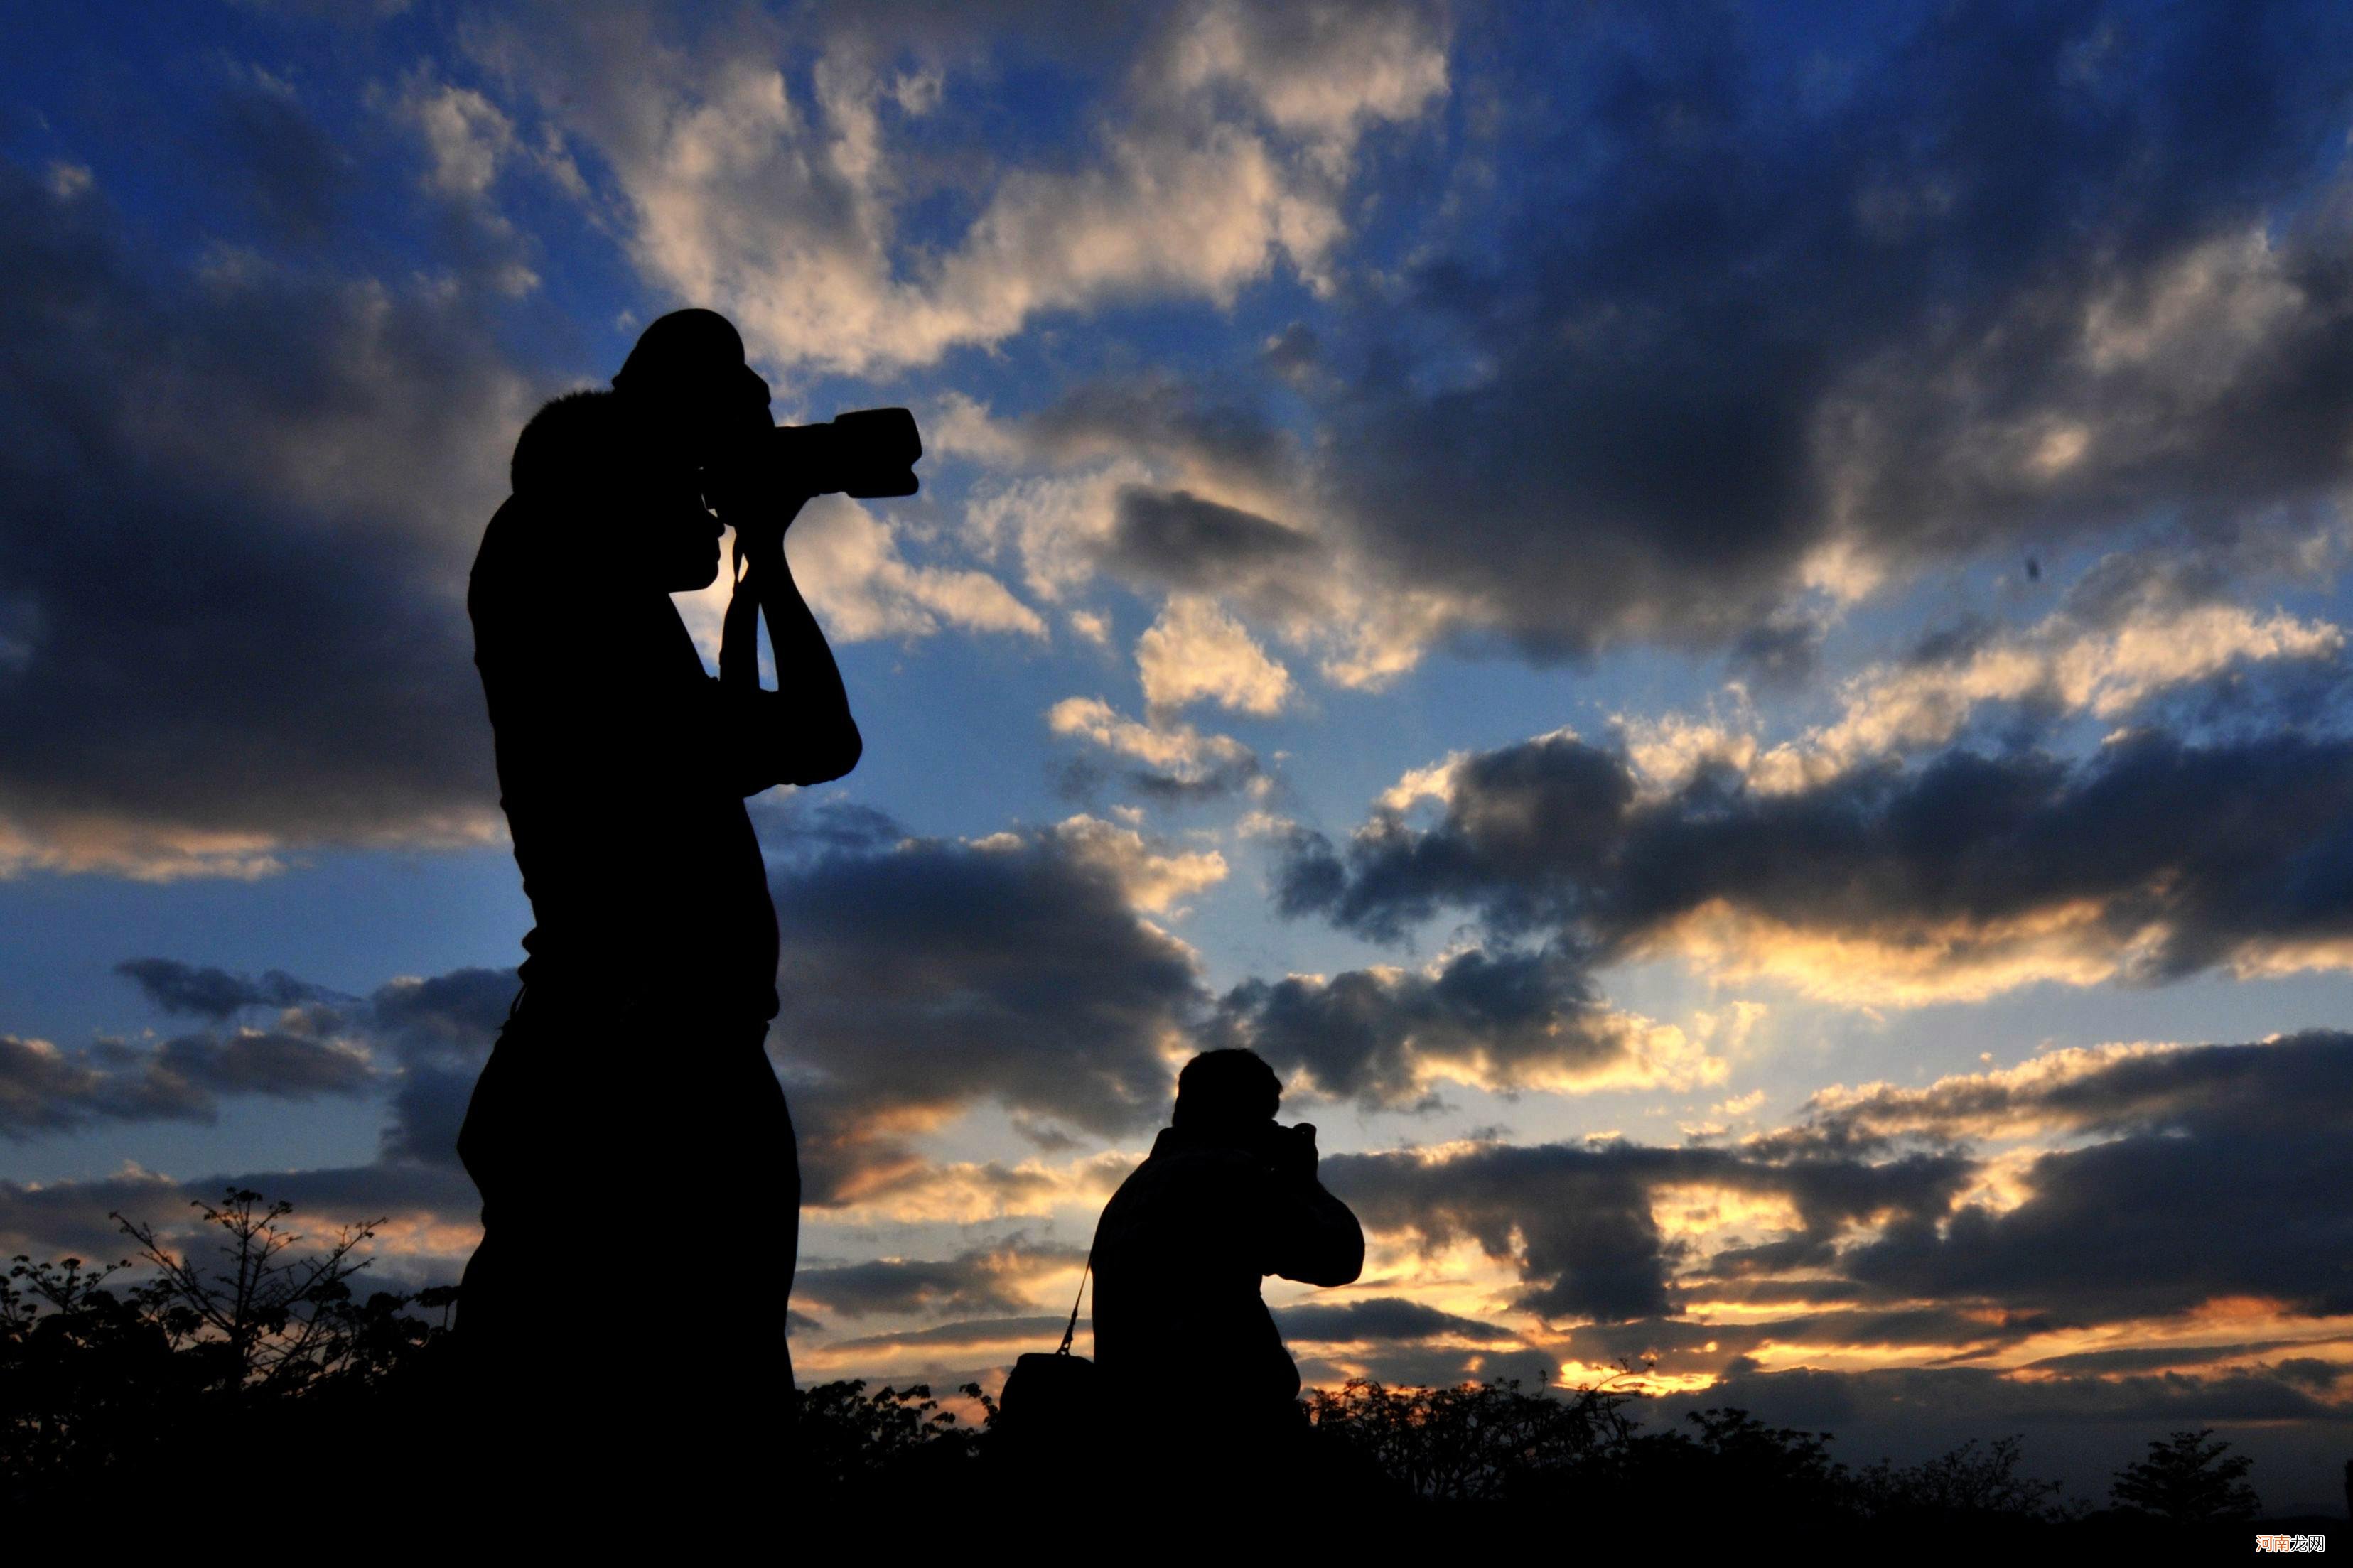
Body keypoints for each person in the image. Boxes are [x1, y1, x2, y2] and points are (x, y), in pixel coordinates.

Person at [454, 309, 858, 1512]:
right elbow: (820, 734)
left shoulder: (608, 622)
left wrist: (763, 548)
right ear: (620, 470)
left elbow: (802, 742)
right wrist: (719, 457)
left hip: (639, 1043)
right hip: (638, 1050)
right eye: (687, 475)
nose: (707, 501)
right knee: (681, 1430)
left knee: (637, 1410)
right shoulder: (549, 559)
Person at [1089, 1048, 1364, 1493]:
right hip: (1229, 1434)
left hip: (1136, 1431)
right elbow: (1338, 1258)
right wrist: (1303, 1181)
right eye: (1263, 1117)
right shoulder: (1223, 1172)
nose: (1269, 1130)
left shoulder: (1134, 1188)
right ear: (1238, 1112)